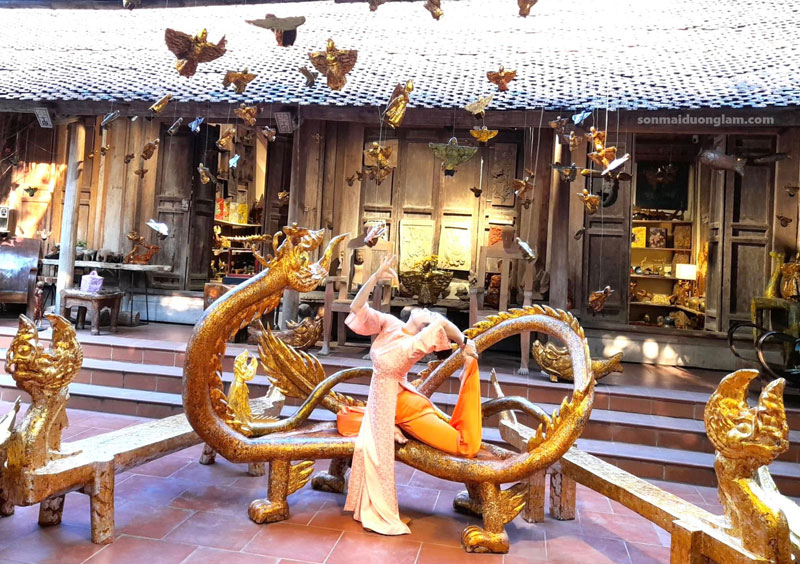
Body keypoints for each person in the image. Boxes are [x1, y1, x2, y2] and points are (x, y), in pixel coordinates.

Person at [339, 254, 482, 535]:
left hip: (403, 404)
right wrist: (375, 276)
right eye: (424, 311)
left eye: (428, 314)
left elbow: (441, 324)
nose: (425, 310)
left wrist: (465, 342)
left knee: (463, 445)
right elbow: (357, 307)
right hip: (385, 403)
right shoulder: (391, 324)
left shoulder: (414, 344)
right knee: (362, 439)